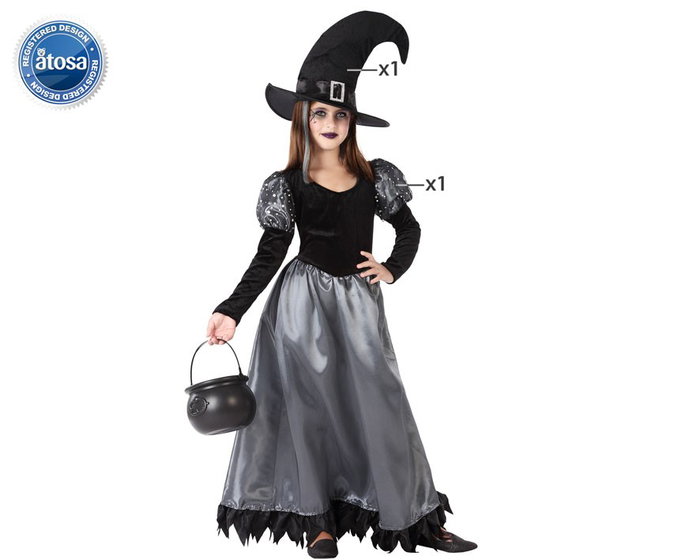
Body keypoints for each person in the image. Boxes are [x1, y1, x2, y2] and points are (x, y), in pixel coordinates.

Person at [206, 11, 478, 557]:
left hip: (358, 307)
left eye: (340, 114)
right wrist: (231, 309)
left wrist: (392, 268)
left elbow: (409, 227)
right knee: (306, 410)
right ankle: (318, 521)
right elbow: (270, 253)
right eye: (320, 113)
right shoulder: (288, 184)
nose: (330, 122)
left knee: (382, 404)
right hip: (299, 307)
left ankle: (415, 518)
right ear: (304, 119)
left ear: (351, 120)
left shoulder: (375, 178)